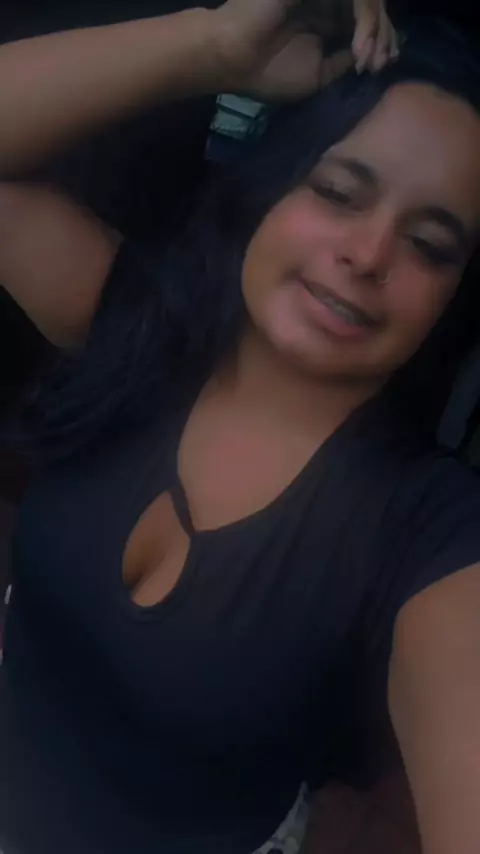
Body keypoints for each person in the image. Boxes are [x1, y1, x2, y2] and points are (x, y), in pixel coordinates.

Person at [1, 2, 480, 853]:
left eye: (431, 246)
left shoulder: (429, 531)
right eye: (338, 192)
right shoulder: (131, 323)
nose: (369, 254)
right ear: (272, 188)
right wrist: (214, 45)